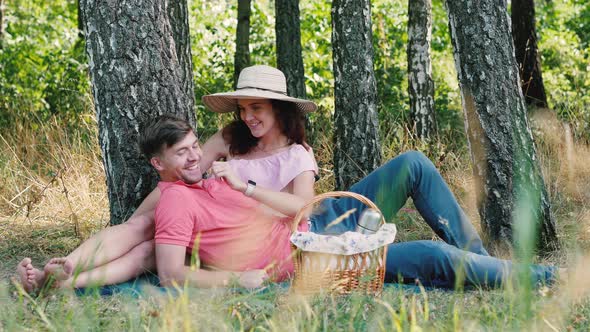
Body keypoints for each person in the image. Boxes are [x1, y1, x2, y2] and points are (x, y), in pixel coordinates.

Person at [147, 115, 558, 289]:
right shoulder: (177, 201)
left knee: (410, 164)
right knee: (432, 255)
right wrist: (239, 280)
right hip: (314, 258)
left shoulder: (211, 176)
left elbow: (292, 207)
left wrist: (239, 185)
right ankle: (543, 278)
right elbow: (168, 273)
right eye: (181, 152)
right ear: (158, 162)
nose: (194, 156)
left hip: (319, 223)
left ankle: (485, 263)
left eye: (195, 147)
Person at [17, 65, 319, 291]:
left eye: (256, 108)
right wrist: (142, 223)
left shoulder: (297, 154)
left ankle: (60, 281)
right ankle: (56, 275)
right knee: (143, 231)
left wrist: (247, 188)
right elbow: (190, 167)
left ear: (278, 108)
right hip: (210, 221)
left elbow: (306, 207)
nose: (247, 116)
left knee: (154, 232)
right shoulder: (233, 136)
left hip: (251, 235)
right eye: (242, 108)